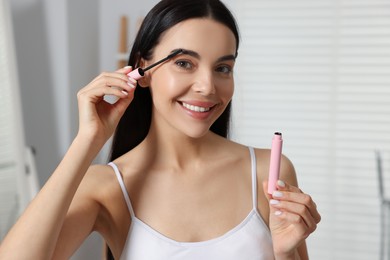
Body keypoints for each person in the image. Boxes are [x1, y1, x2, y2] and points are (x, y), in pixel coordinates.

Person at [0, 0, 321, 259]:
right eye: (184, 63)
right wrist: (87, 140)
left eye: (223, 68)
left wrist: (284, 251)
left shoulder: (268, 172)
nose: (207, 86)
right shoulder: (107, 186)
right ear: (144, 69)